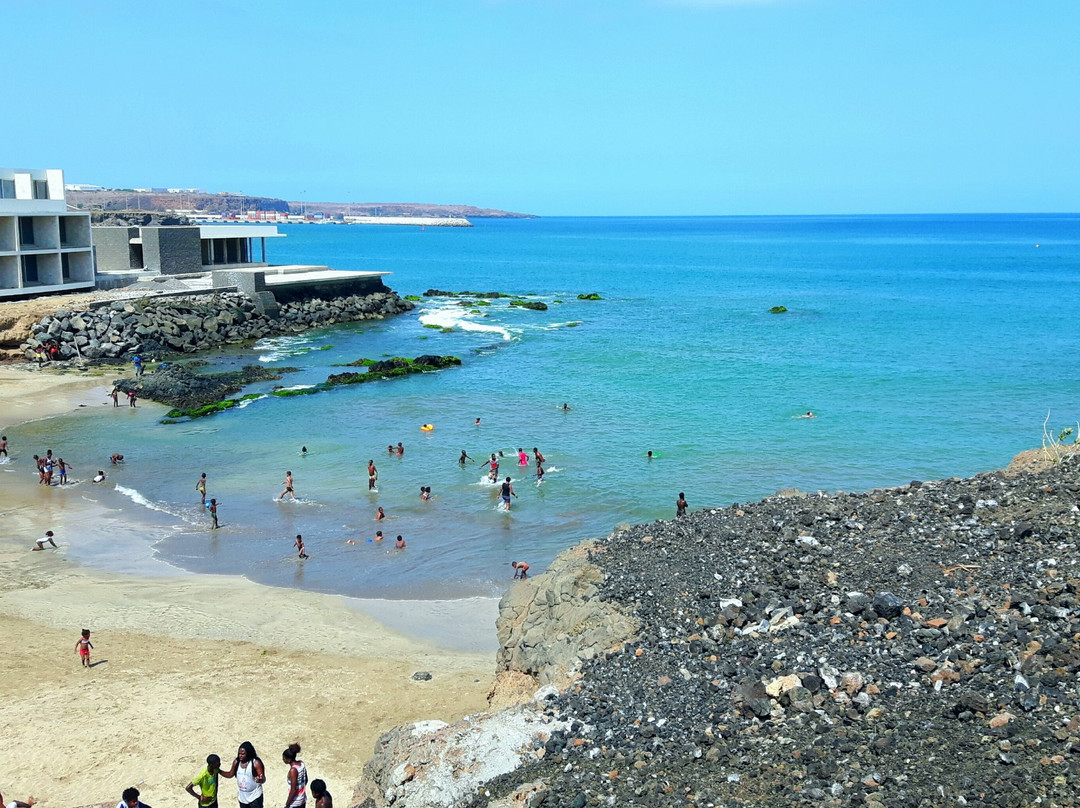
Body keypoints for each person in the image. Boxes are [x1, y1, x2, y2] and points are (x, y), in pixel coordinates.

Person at [220, 741, 266, 808]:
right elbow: (230, 774)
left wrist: (260, 779)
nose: (240, 756)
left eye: (243, 754)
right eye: (239, 754)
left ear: (248, 753)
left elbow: (263, 779)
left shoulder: (255, 763)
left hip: (255, 797)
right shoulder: (237, 762)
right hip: (242, 798)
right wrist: (219, 771)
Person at [282, 744, 307, 808]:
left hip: (295, 803)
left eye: (284, 758)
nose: (283, 759)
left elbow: (293, 790)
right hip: (303, 799)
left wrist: (287, 804)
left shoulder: (293, 770)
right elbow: (306, 780)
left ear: (289, 759)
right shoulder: (302, 764)